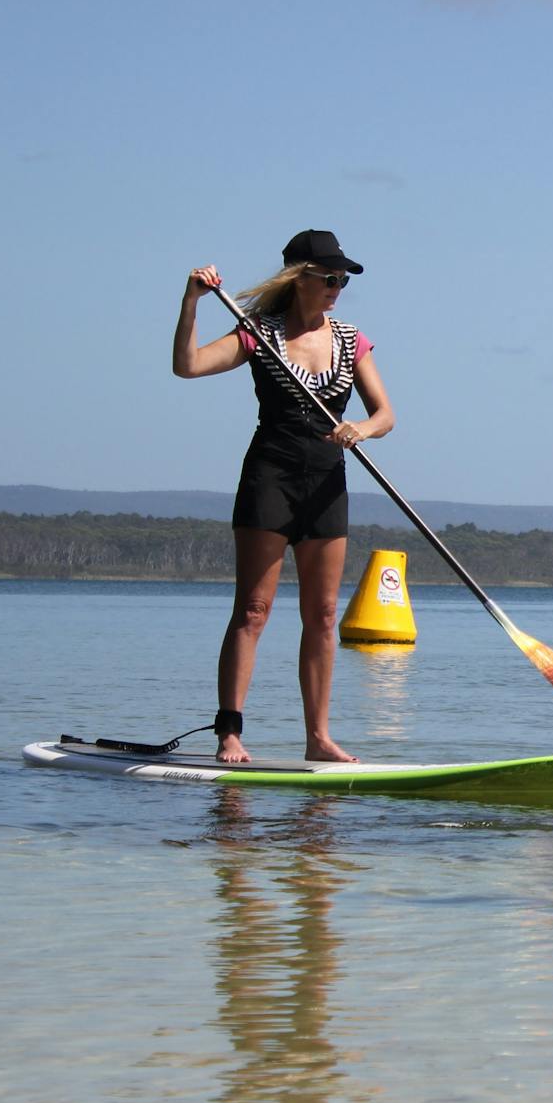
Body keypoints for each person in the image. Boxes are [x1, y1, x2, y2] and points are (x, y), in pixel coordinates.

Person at [172, 229, 395, 764]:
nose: (337, 288)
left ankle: (318, 737)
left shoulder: (352, 340)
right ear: (300, 279)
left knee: (323, 615)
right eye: (329, 278)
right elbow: (188, 365)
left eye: (342, 280)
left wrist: (361, 429)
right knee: (253, 610)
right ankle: (230, 733)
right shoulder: (258, 333)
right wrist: (191, 302)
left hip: (326, 483)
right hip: (270, 478)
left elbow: (386, 415)